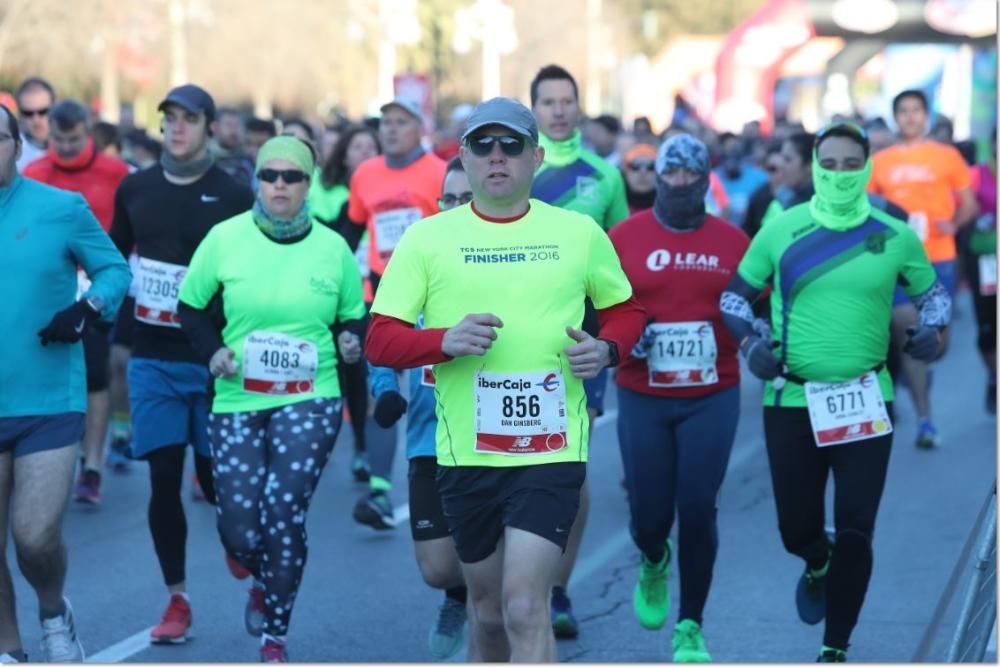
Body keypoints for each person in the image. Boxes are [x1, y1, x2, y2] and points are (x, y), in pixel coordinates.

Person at [365, 96, 646, 662]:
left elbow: (627, 310)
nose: (498, 157)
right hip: (467, 455)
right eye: (483, 145)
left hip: (550, 449)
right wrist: (441, 341)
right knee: (489, 616)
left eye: (512, 144)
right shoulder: (427, 239)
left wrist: (608, 347)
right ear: (463, 157)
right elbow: (380, 339)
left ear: (536, 157)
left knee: (524, 605)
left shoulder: (579, 232)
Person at [720, 121, 952, 662]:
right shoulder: (782, 228)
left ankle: (835, 647)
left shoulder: (894, 233)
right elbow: (734, 299)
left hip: (868, 398)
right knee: (795, 529)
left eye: (853, 164)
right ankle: (815, 559)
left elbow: (934, 295)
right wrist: (751, 345)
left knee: (856, 527)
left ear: (867, 167)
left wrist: (929, 332)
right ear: (816, 166)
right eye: (831, 164)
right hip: (793, 400)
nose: (841, 173)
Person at [177, 135, 366, 663]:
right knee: (237, 523)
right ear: (257, 180)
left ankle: (275, 635)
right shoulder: (225, 238)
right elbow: (189, 308)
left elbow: (353, 314)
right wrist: (212, 351)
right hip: (238, 395)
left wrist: (351, 338)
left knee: (282, 512)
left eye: (292, 177)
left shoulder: (332, 248)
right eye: (269, 176)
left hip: (313, 394)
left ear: (308, 185)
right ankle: (262, 574)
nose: (279, 185)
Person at [109, 83, 254, 644]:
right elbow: (115, 257)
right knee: (163, 478)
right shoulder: (136, 188)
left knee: (217, 482)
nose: (176, 127)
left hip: (216, 357)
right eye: (168, 117)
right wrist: (95, 305)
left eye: (188, 118)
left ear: (209, 126)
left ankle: (238, 545)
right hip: (153, 357)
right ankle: (177, 598)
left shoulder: (236, 194)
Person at [609, 134, 749, 663]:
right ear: (657, 177)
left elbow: (755, 304)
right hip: (643, 391)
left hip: (712, 393)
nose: (681, 183)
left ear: (705, 177)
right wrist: (624, 331)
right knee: (649, 517)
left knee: (697, 508)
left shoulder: (733, 242)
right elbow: (597, 304)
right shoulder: (625, 237)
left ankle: (690, 624)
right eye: (672, 173)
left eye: (693, 175)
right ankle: (652, 557)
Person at [0, 103, 130, 663]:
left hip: (48, 398)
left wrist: (89, 307)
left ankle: (53, 613)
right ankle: (10, 648)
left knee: (33, 536)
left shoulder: (59, 207)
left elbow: (113, 269)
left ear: (15, 146)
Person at [529, 63, 631, 638]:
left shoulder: (603, 177)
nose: (560, 110)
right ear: (535, 109)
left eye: (568, 100)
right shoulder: (516, 169)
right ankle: (514, 576)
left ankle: (558, 589)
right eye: (549, 102)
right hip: (514, 336)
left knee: (570, 462)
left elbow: (620, 261)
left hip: (581, 338)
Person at [367, 157, 476, 661]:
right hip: (430, 439)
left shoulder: (510, 260)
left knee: (497, 576)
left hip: (497, 440)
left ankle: (501, 622)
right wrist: (385, 386)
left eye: (465, 198)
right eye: (447, 199)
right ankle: (458, 595)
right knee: (438, 568)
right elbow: (382, 336)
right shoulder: (418, 258)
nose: (455, 208)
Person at [23, 99, 130, 505]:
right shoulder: (35, 173)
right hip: (46, 291)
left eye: (73, 139)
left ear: (88, 131)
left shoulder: (115, 173)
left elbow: (130, 226)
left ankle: (93, 466)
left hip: (98, 291)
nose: (65, 148)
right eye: (58, 139)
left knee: (95, 374)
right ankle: (50, 459)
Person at [346, 98, 446, 527]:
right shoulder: (365, 174)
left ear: (419, 127)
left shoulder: (439, 172)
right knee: (382, 390)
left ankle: (443, 473)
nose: (390, 129)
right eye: (385, 122)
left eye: (401, 122)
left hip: (430, 297)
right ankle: (381, 490)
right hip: (381, 294)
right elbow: (350, 228)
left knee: (429, 392)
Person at [868, 89, 979, 447]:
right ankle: (925, 421)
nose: (910, 117)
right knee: (910, 329)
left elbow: (969, 204)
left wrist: (955, 223)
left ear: (925, 115)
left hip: (939, 257)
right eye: (903, 111)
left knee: (937, 343)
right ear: (896, 116)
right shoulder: (881, 161)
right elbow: (867, 208)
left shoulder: (946, 156)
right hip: (897, 259)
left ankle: (923, 368)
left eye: (916, 110)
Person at [309, 124, 382, 482]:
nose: (365, 152)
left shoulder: (383, 189)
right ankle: (321, 442)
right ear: (345, 152)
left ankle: (362, 447)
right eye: (358, 146)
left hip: (370, 291)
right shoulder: (325, 191)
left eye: (371, 146)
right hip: (331, 290)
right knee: (333, 370)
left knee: (359, 371)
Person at [964, 133, 997, 413]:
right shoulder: (976, 174)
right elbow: (961, 207)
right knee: (987, 329)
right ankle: (993, 375)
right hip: (986, 260)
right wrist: (976, 217)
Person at [714, 132, 768, 227]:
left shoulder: (760, 178)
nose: (731, 158)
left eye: (734, 151)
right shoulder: (712, 179)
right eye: (727, 152)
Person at [14, 77, 54, 170]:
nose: (36, 120)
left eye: (43, 111)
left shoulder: (74, 147)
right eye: (28, 113)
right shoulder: (11, 158)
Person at [211, 107, 255, 189]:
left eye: (237, 125)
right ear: (215, 128)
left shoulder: (248, 160)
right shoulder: (206, 159)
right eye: (228, 125)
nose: (233, 130)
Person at [621, 143, 657, 214]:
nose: (643, 172)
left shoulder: (668, 210)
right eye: (636, 166)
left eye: (650, 167)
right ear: (626, 173)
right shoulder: (614, 208)